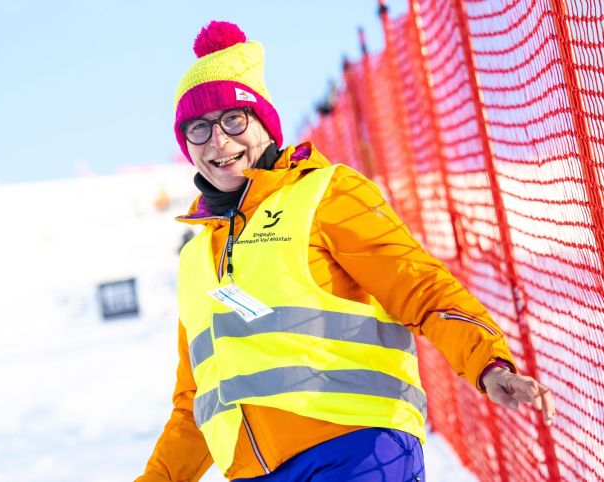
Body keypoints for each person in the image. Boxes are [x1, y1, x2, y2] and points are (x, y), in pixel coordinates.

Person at [136, 21, 556, 482]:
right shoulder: (196, 261)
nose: (218, 140)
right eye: (198, 128)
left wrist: (487, 362)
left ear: (264, 123)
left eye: (233, 119)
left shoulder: (325, 194)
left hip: (358, 449)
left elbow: (418, 286)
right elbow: (195, 403)